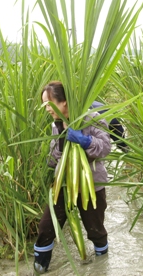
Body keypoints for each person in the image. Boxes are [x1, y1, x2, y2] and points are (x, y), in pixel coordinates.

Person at [33, 81, 112, 273]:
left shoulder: (92, 119)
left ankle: (102, 268)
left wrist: (85, 141)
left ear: (64, 102)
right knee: (46, 228)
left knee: (95, 231)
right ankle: (39, 268)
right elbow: (55, 157)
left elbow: (105, 148)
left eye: (49, 104)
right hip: (64, 184)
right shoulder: (55, 124)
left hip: (91, 184)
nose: (46, 109)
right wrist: (53, 155)